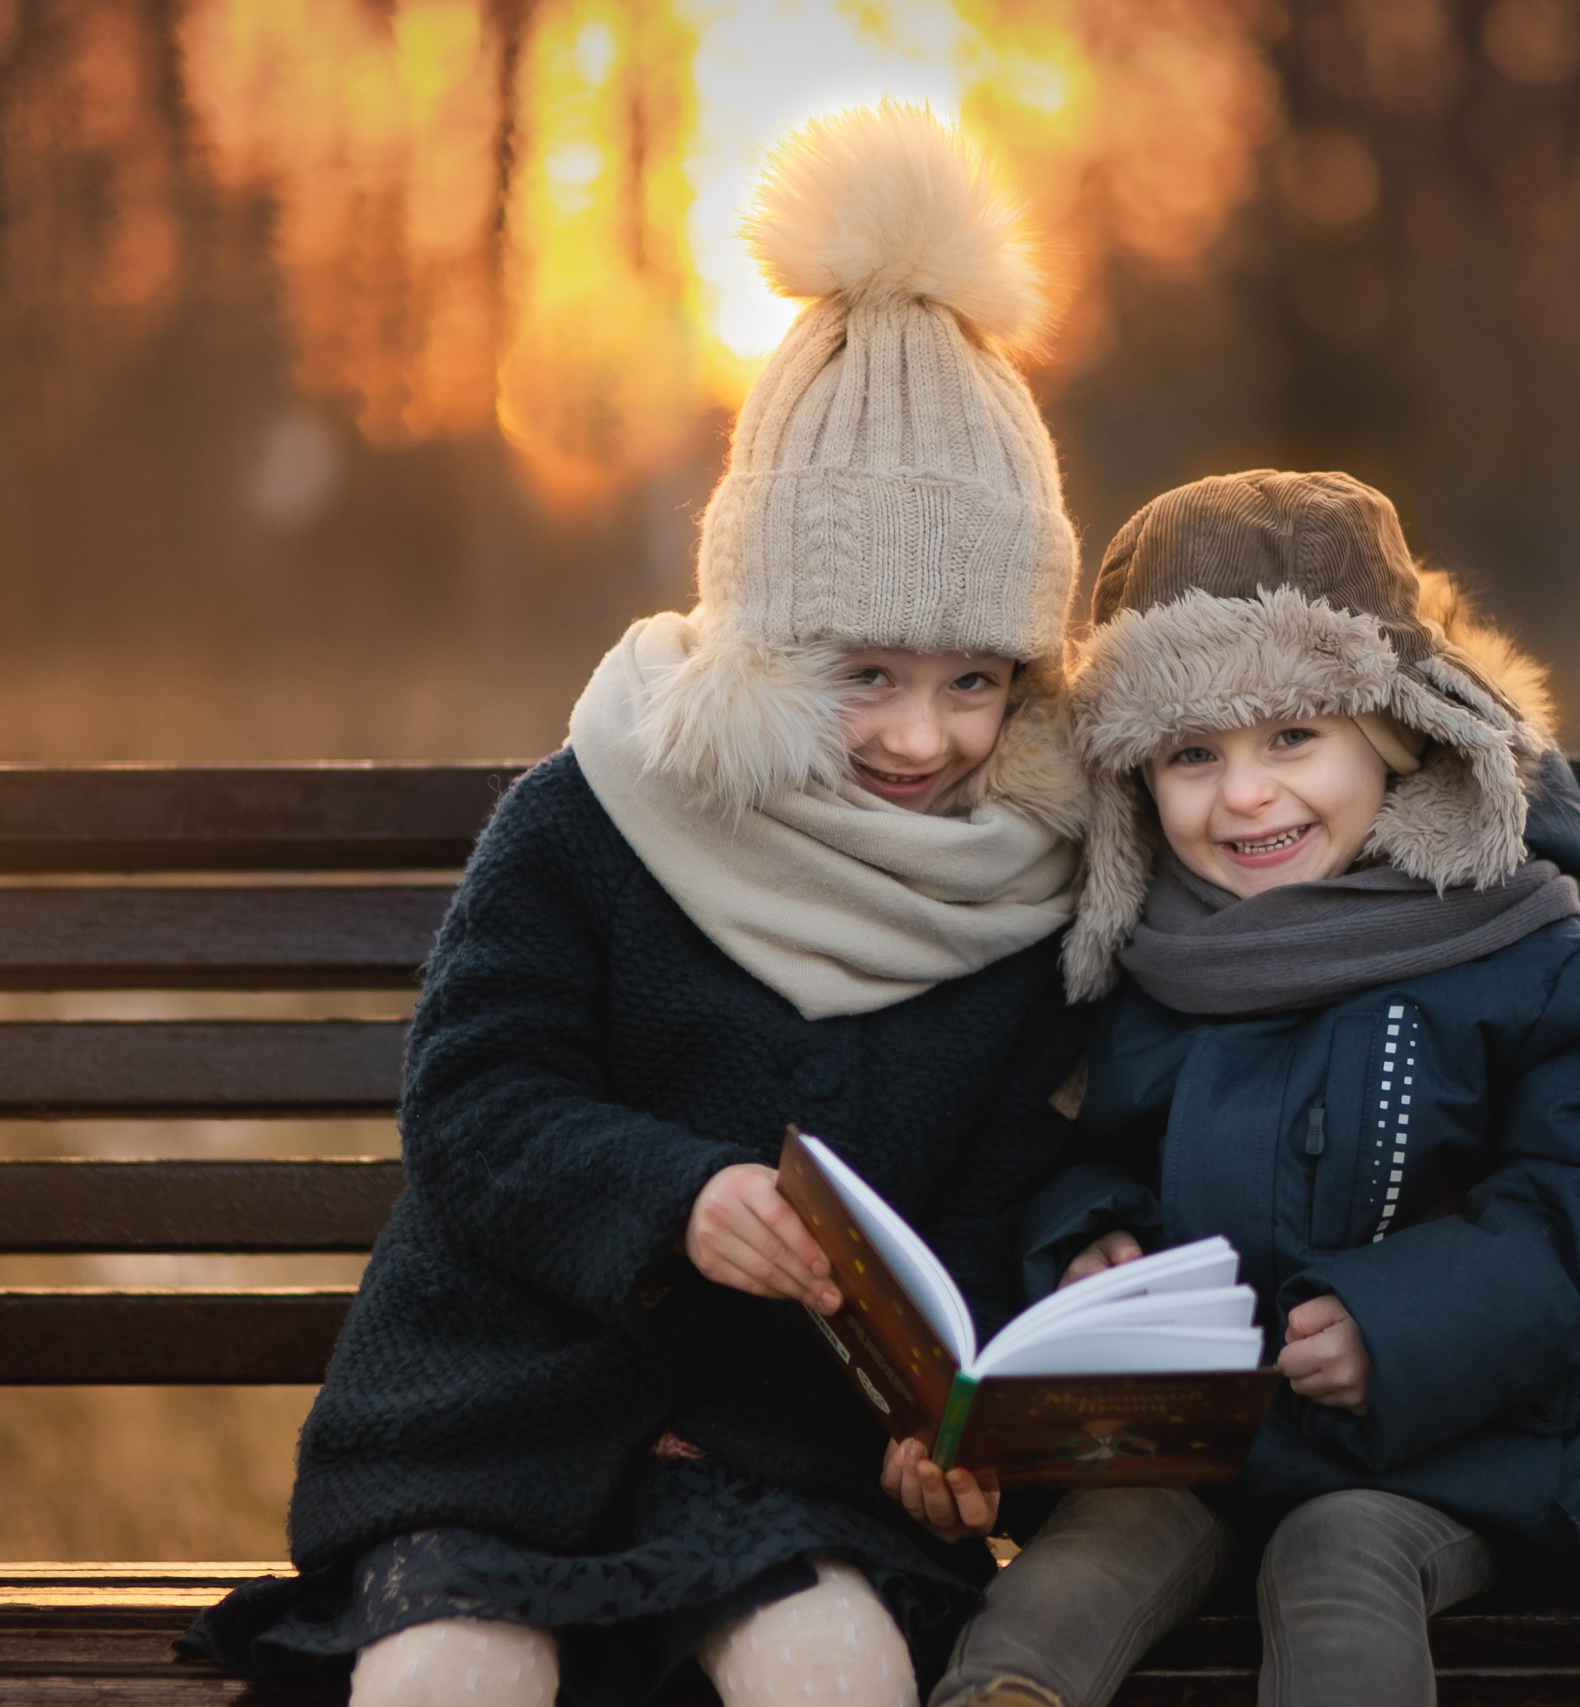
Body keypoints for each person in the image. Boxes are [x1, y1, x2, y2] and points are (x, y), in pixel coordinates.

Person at [180, 103, 1092, 1707]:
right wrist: (672, 1193)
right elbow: (475, 1099)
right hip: (505, 1426)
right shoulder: (597, 813)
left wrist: (949, 1435)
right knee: (455, 1669)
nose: (922, 737)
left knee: (831, 1665)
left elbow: (1000, 1203)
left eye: (976, 680)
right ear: (759, 632)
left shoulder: (1018, 888)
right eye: (862, 672)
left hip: (788, 1462)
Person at [928, 470, 1580, 1707]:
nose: (1245, 794)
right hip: (1193, 1449)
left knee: (1337, 1567)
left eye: (1292, 736)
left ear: (1394, 736)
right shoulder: (1158, 957)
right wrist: (1090, 1242)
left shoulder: (1531, 949)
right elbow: (1095, 1151)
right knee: (1075, 1571)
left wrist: (1398, 1327)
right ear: (1139, 781)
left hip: (1453, 1455)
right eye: (1193, 754)